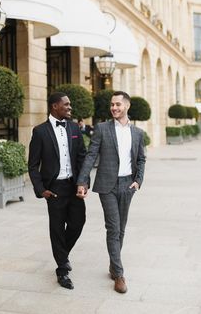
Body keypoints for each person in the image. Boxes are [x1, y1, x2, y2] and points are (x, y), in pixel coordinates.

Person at [76, 91, 146, 294]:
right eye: (112, 105)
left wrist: (138, 181)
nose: (114, 108)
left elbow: (141, 159)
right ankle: (119, 274)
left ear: (127, 106)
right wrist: (82, 181)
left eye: (117, 104)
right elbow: (90, 156)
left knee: (121, 229)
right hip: (107, 185)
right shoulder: (102, 128)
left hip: (127, 185)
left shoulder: (138, 133)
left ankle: (113, 265)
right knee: (113, 228)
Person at [28, 92, 86, 290]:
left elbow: (82, 157)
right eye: (66, 105)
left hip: (73, 184)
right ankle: (62, 269)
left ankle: (62, 255)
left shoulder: (74, 127)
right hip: (54, 189)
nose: (70, 108)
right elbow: (33, 164)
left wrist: (83, 182)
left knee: (78, 223)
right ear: (54, 106)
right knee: (57, 229)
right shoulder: (40, 131)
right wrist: (41, 189)